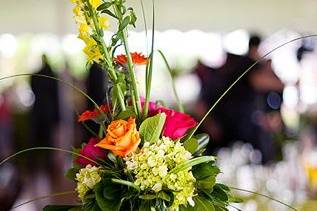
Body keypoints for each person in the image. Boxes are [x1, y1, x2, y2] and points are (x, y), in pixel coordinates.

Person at [194, 34, 284, 163]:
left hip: (236, 127)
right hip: (235, 129)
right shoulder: (247, 64)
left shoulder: (237, 67)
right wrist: (287, 83)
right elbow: (259, 81)